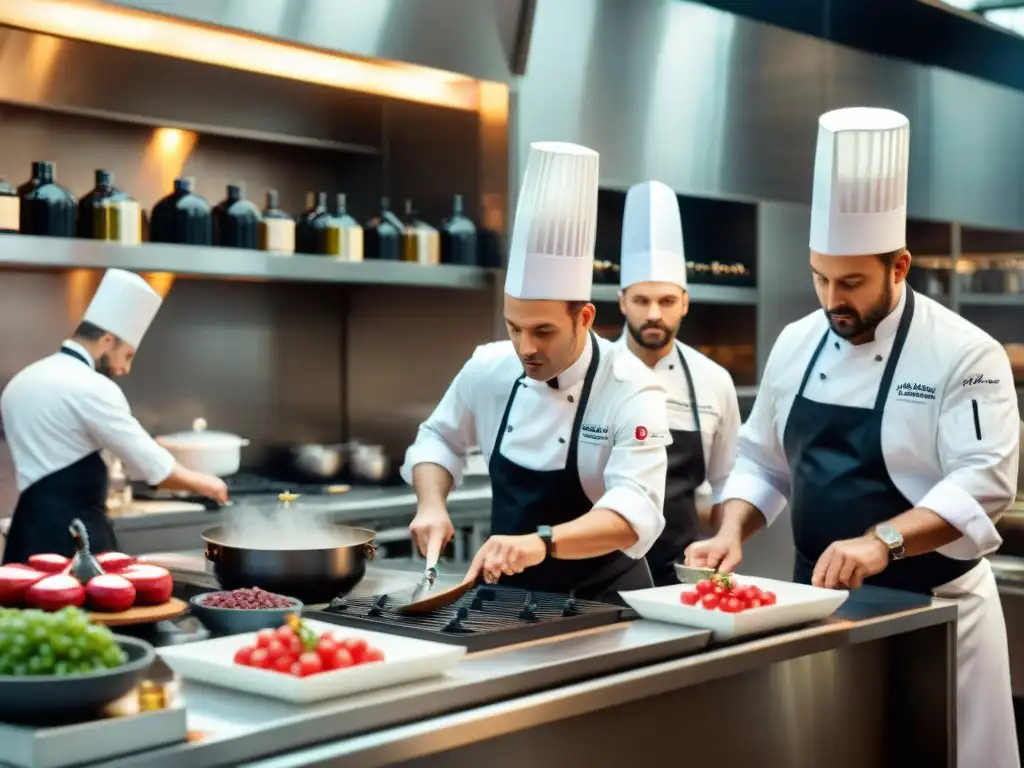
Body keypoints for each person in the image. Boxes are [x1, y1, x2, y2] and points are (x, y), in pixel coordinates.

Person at [685, 107, 1019, 768]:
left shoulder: (965, 353)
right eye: (820, 277)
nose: (832, 299)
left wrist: (881, 542)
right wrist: (731, 532)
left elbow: (984, 483)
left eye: (851, 283)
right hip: (815, 606)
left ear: (899, 266)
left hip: (934, 615)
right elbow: (762, 461)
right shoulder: (798, 341)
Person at [403, 141, 672, 600]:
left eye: (543, 331)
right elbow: (439, 438)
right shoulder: (488, 366)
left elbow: (633, 513)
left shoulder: (631, 389)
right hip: (502, 602)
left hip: (602, 604)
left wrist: (542, 543)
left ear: (584, 318)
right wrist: (431, 504)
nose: (526, 347)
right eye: (514, 327)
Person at [1, 269, 229, 564]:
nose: (125, 368)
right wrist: (210, 484)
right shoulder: (92, 387)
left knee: (24, 609)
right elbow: (153, 467)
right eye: (128, 355)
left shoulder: (24, 380)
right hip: (72, 543)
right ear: (107, 341)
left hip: (27, 534)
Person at [616, 180, 741, 586]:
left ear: (684, 302)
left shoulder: (713, 381)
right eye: (641, 301)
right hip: (598, 575)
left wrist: (726, 537)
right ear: (622, 301)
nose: (654, 314)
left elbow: (727, 481)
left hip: (682, 575)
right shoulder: (591, 373)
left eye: (667, 301)